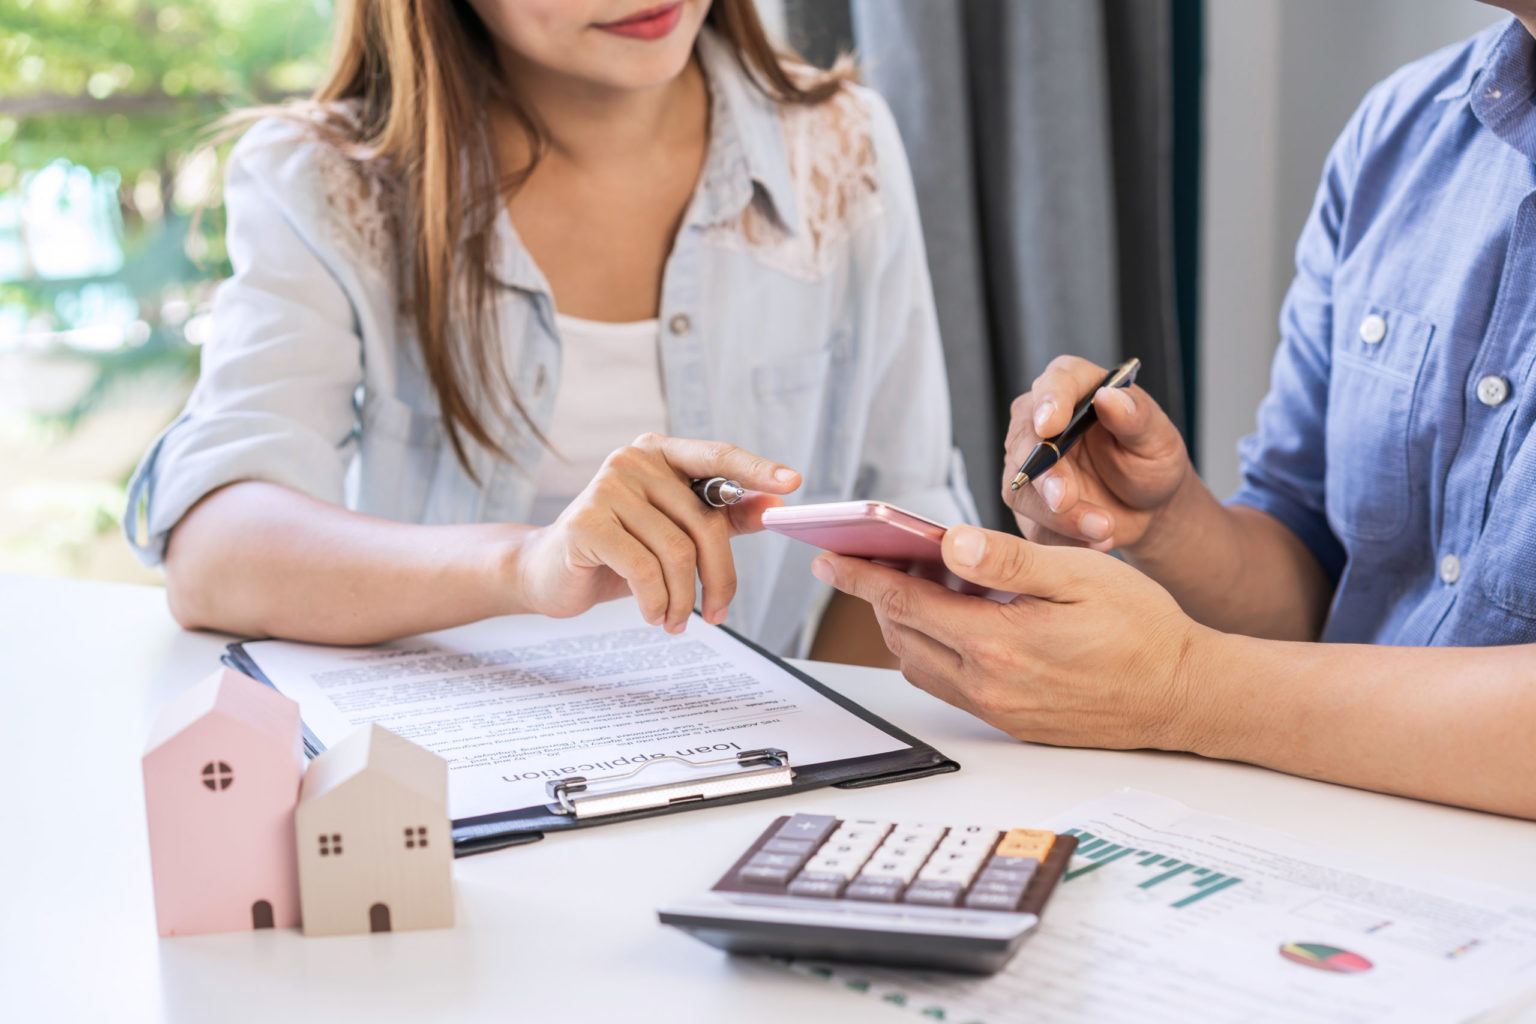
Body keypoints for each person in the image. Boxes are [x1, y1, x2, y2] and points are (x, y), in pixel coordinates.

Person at [810, 5, 1536, 820]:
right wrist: (1165, 523)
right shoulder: (1400, 136)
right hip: (1330, 827)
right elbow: (1320, 578)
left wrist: (1183, 686)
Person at [123, 0, 972, 662]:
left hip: (757, 783)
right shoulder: (328, 184)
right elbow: (214, 553)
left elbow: (907, 535)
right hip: (439, 776)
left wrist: (815, 761)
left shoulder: (841, 145)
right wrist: (528, 565)